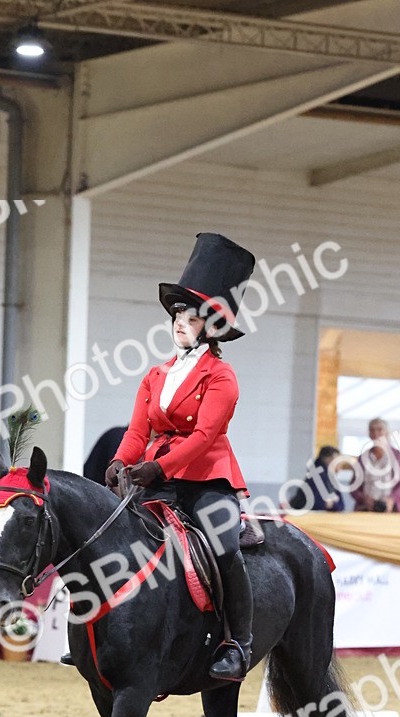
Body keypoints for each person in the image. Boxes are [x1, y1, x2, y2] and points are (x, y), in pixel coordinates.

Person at [105, 231, 256, 682]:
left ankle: (238, 644)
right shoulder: (156, 374)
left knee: (225, 548)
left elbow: (206, 437)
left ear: (210, 325)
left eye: (189, 316)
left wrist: (156, 468)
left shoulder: (222, 376)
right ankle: (108, 636)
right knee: (113, 539)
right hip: (158, 478)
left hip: (206, 480)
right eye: (176, 313)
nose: (178, 321)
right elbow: (138, 431)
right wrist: (120, 462)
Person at [351, 418, 400, 512]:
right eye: (372, 430)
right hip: (366, 509)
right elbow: (354, 486)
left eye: (379, 429)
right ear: (369, 433)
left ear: (386, 432)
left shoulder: (396, 456)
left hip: (391, 509)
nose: (376, 433)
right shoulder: (363, 458)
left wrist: (391, 499)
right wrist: (364, 499)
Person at [287, 446, 345, 511]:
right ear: (329, 459)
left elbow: (341, 505)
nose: (340, 465)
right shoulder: (316, 476)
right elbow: (316, 504)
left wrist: (331, 504)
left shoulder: (330, 479)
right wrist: (328, 503)